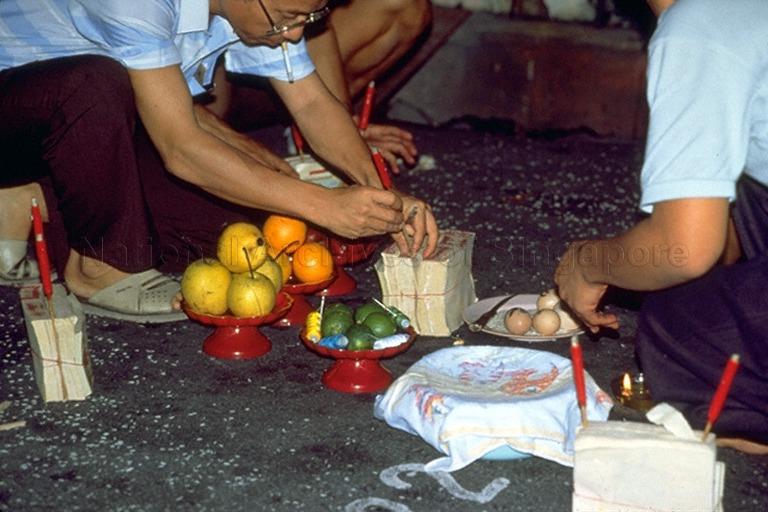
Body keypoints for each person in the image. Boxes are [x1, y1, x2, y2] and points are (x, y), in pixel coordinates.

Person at [0, 0, 439, 323]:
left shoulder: (258, 10)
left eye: (307, 20)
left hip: (82, 129)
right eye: (288, 19)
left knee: (237, 236)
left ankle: (47, 202)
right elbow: (181, 149)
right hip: (24, 108)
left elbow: (309, 102)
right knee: (94, 81)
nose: (292, 35)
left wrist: (384, 197)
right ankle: (96, 267)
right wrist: (325, 204)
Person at [553, 0, 768, 450]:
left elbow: (685, 249)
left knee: (678, 325)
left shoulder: (699, 23)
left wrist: (588, 263)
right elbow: (721, 239)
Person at [209, 0, 432, 174]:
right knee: (203, 117)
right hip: (210, 58)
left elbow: (313, 27)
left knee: (405, 8)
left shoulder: (295, 26)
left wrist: (344, 130)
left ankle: (312, 130)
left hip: (274, 48)